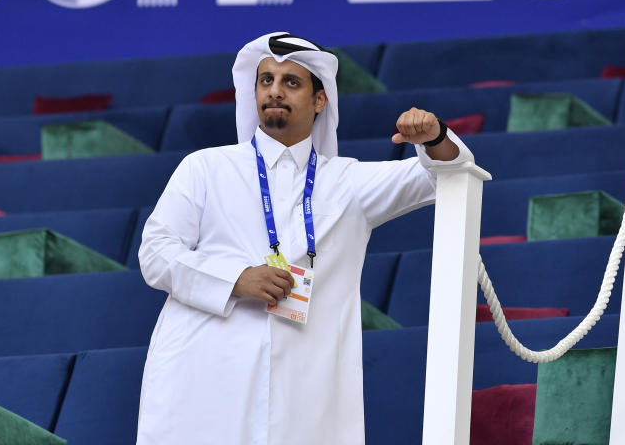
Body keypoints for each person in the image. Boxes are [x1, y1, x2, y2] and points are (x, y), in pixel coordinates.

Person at [136, 32, 473, 444]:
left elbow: (448, 174)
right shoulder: (205, 167)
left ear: (319, 100)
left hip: (306, 390)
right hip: (206, 376)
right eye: (266, 81)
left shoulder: (348, 181)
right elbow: (155, 252)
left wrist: (434, 136)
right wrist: (235, 278)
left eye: (291, 82)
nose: (275, 91)